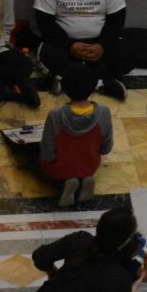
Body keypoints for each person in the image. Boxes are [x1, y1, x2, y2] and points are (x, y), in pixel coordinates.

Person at [34, 0, 132, 101]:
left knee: (125, 53)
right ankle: (101, 82)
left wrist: (102, 46)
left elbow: (117, 20)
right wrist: (70, 46)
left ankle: (68, 79)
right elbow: (45, 23)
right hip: (64, 43)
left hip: (98, 43)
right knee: (46, 53)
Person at [40, 63, 113, 207]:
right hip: (89, 165)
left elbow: (48, 152)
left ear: (65, 89)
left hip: (61, 167)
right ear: (92, 88)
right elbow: (106, 147)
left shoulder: (55, 115)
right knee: (81, 165)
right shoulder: (104, 112)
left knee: (37, 161)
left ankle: (65, 184)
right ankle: (85, 179)